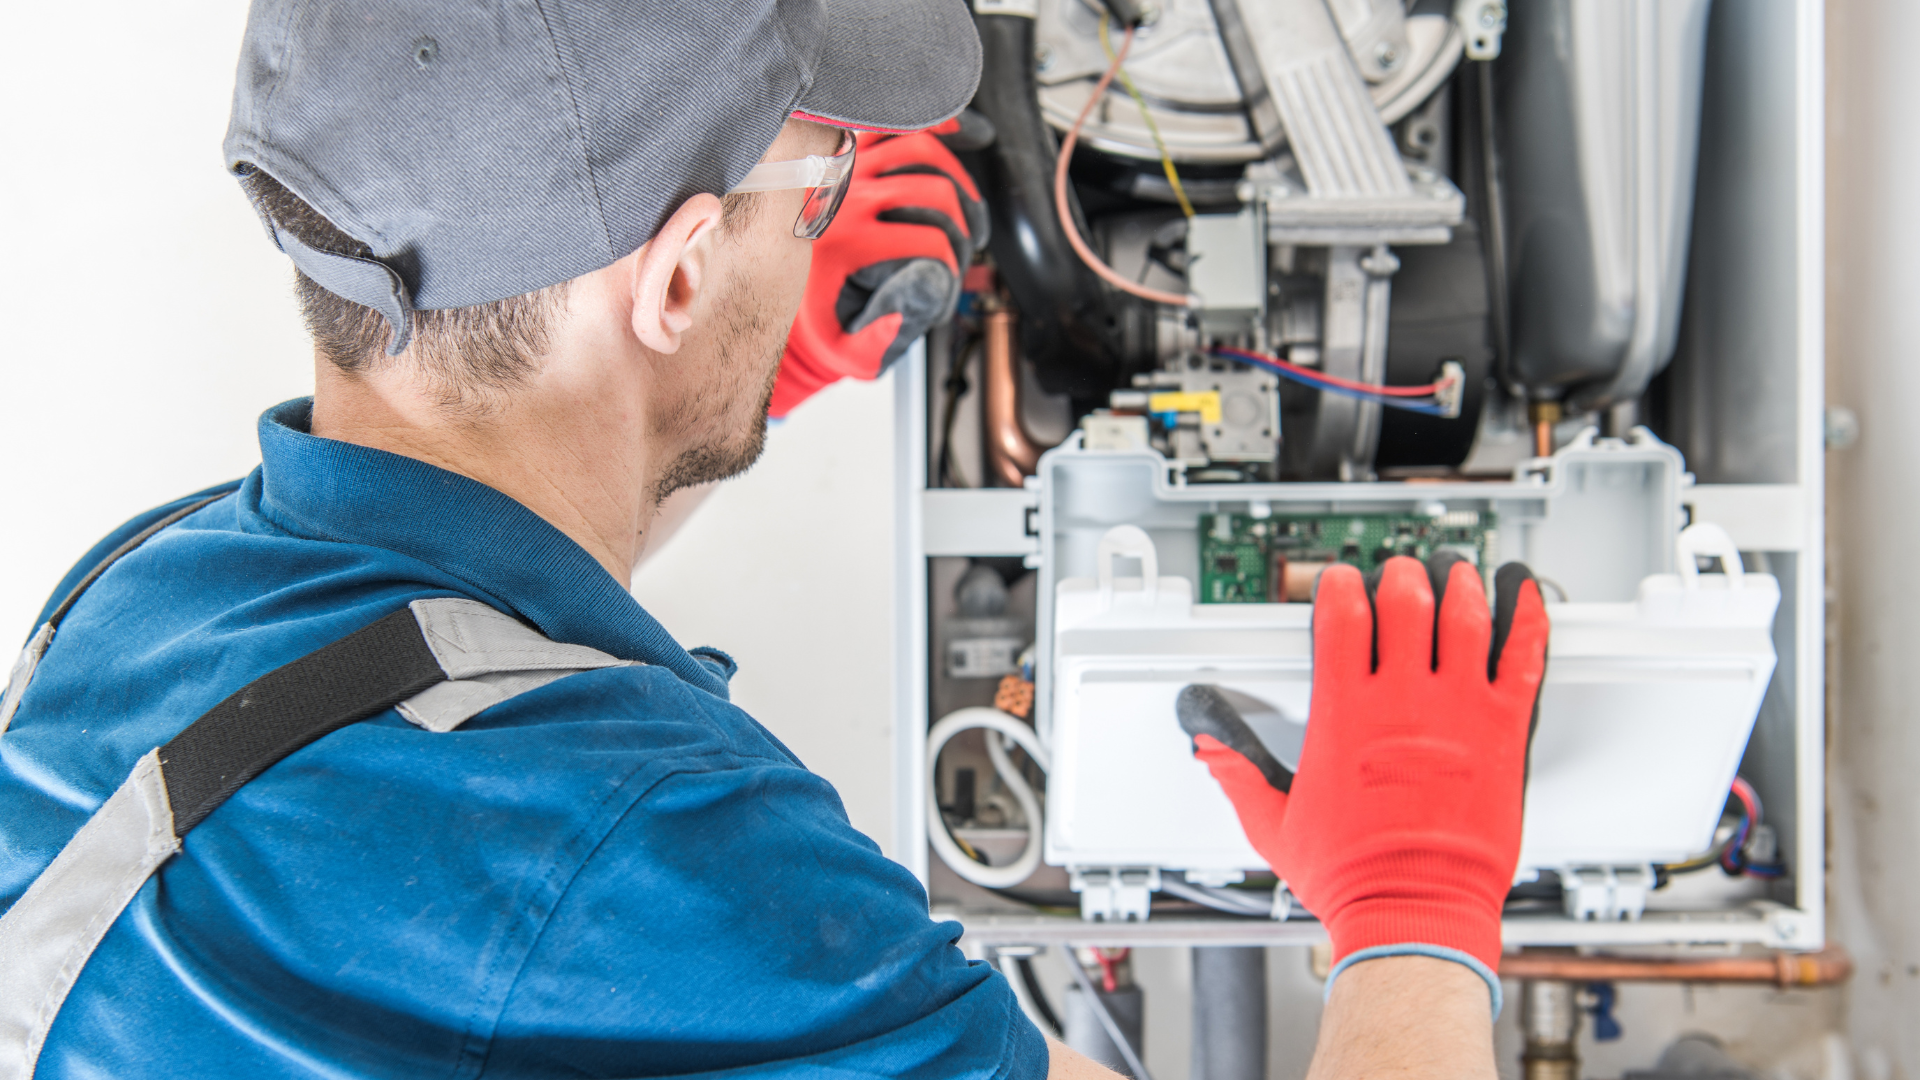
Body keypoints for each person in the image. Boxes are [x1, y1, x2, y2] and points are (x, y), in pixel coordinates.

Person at [0, 2, 1548, 1079]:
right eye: (817, 178)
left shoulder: (144, 590)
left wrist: (745, 376)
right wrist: (1413, 902)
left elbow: (455, 645)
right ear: (671, 283)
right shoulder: (661, 855)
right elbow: (560, 841)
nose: (830, 213)